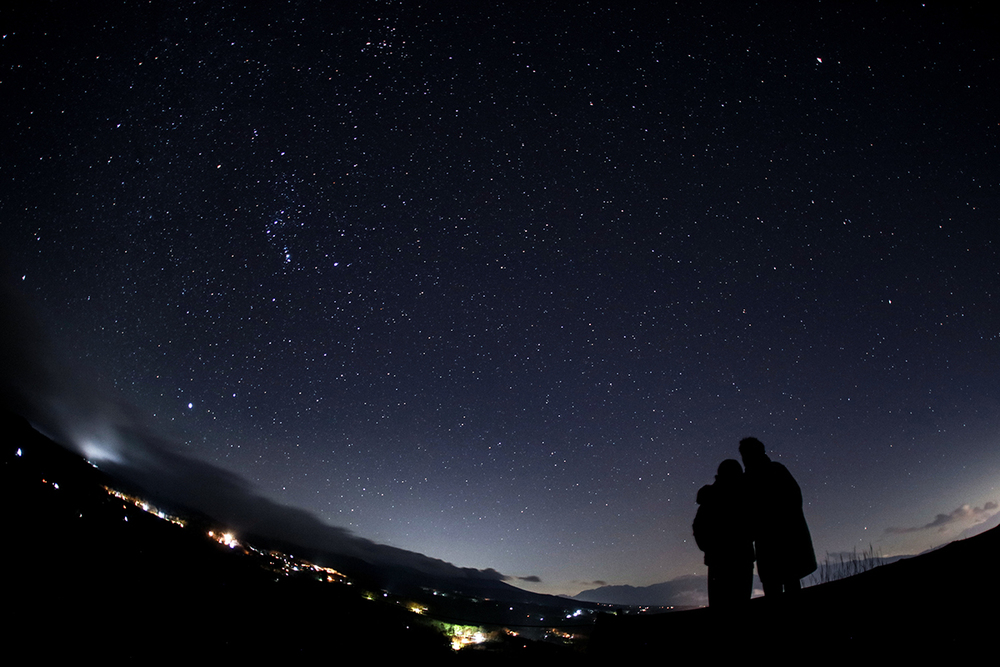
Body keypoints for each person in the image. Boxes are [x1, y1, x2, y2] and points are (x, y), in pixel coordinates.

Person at [738, 437, 816, 597]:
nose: (745, 458)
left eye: (747, 454)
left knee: (784, 583)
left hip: (780, 539)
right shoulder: (764, 474)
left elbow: (793, 500)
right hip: (772, 541)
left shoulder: (771, 472)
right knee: (779, 583)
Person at [693, 459, 755, 609]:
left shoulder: (710, 498)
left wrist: (710, 548)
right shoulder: (744, 496)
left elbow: (698, 528)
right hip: (741, 559)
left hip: (719, 562)